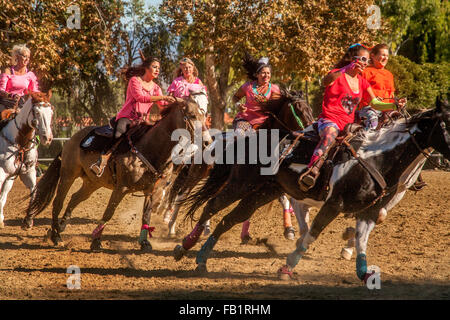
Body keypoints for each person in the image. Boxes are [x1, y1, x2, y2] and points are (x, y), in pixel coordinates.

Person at [298, 43, 406, 191]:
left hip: (349, 125)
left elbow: (374, 103)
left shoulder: (362, 82)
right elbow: (325, 82)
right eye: (362, 59)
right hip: (330, 120)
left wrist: (395, 106)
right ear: (352, 59)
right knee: (330, 135)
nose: (365, 63)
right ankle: (312, 170)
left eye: (367, 60)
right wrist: (344, 70)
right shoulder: (337, 73)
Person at [232, 54, 296, 242]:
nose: (266, 76)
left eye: (268, 73)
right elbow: (235, 98)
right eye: (263, 73)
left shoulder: (274, 89)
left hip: (265, 126)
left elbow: (280, 108)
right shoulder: (247, 87)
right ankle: (236, 167)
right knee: (241, 139)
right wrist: (239, 106)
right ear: (257, 75)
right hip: (246, 122)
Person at [90, 57, 175, 176]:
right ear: (146, 68)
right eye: (154, 67)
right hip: (126, 117)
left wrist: (175, 102)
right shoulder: (135, 80)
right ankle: (102, 160)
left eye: (158, 68)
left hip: (142, 121)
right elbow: (140, 97)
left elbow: (162, 105)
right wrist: (163, 97)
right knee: (119, 132)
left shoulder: (156, 88)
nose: (157, 70)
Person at [0, 44, 39, 119]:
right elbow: (1, 90)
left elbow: (35, 93)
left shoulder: (30, 75)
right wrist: (11, 95)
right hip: (6, 104)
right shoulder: (8, 71)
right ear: (17, 56)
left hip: (23, 106)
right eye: (24, 56)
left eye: (28, 57)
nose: (27, 59)